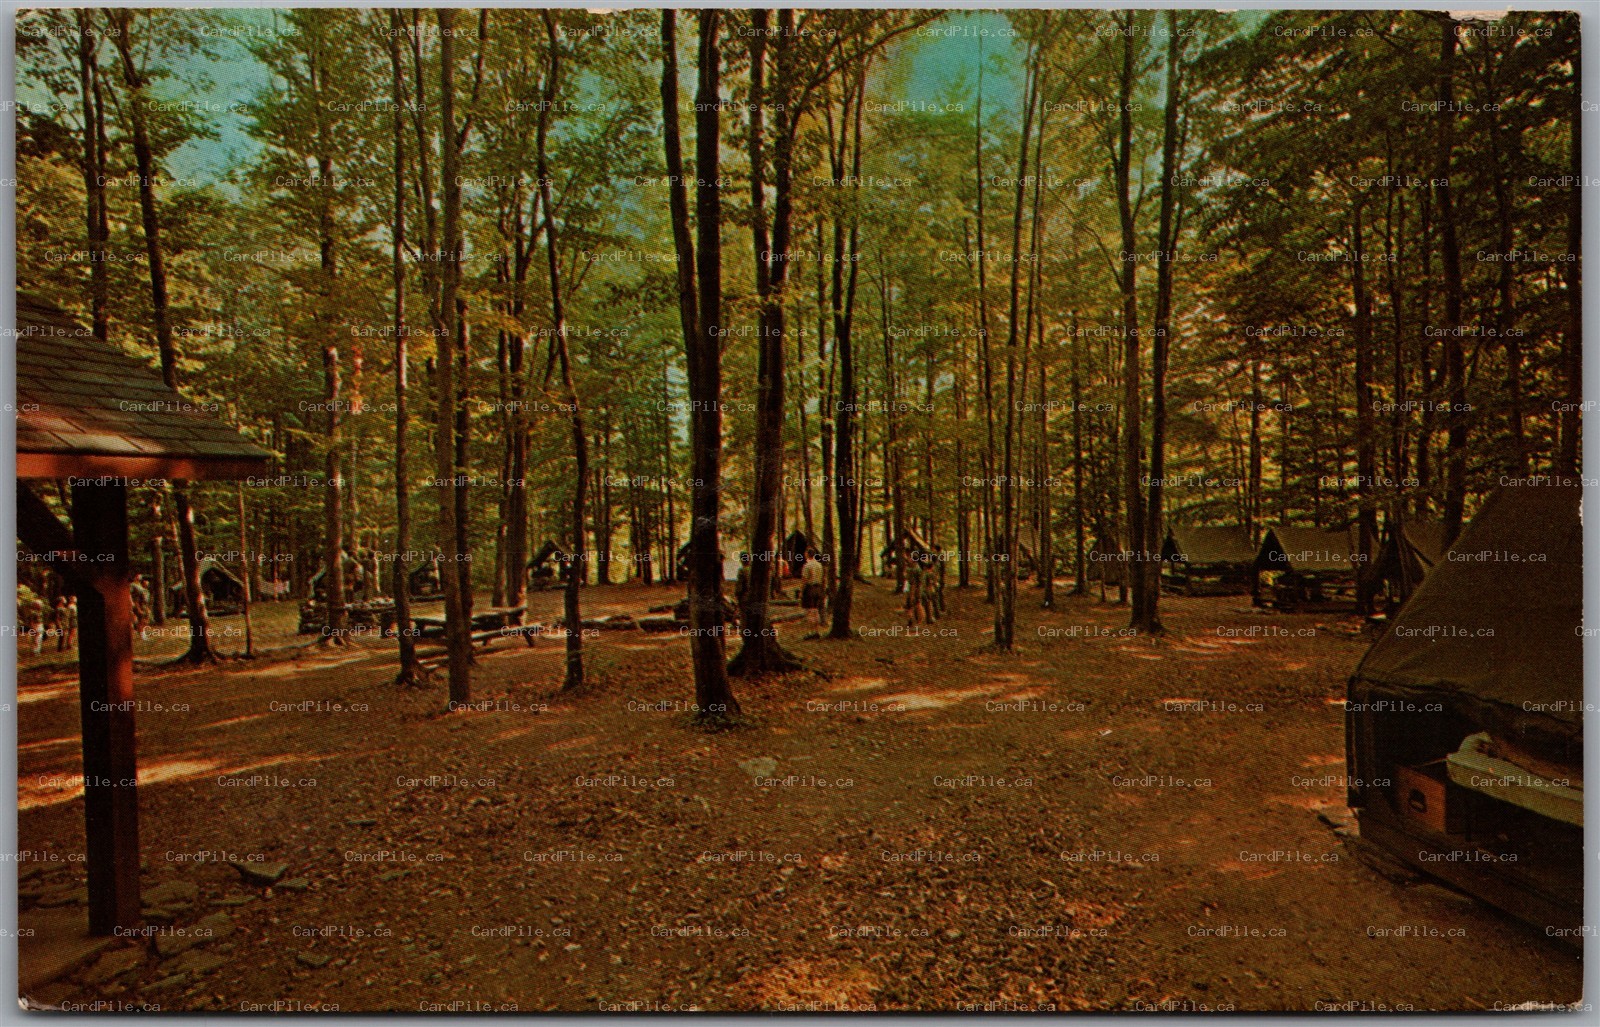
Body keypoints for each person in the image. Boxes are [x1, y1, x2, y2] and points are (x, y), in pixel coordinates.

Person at [800, 549, 826, 639]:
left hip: (810, 589)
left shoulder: (807, 566)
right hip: (819, 588)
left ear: (807, 555)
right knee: (816, 610)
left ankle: (811, 632)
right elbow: (822, 578)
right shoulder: (819, 565)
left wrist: (801, 591)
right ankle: (817, 631)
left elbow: (804, 580)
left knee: (810, 611)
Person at [130, 575, 151, 640]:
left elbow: (146, 599)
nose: (147, 582)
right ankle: (140, 634)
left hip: (144, 605)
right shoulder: (133, 585)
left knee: (144, 620)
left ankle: (142, 634)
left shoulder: (142, 588)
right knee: (139, 619)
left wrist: (147, 608)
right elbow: (133, 597)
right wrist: (137, 607)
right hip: (138, 604)